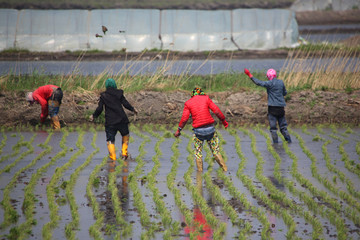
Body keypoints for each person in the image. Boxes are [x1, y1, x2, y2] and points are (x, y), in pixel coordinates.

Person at [174, 87, 228, 172]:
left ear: (192, 95)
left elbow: (184, 118)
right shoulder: (206, 98)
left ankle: (199, 174)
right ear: (201, 93)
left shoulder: (188, 103)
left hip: (198, 133)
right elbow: (216, 111)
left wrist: (179, 130)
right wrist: (224, 121)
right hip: (210, 130)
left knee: (198, 153)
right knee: (216, 151)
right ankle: (225, 170)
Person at [90, 78, 137, 160]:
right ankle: (124, 154)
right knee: (125, 134)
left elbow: (99, 109)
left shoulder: (103, 96)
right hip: (122, 119)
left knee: (110, 139)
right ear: (115, 85)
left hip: (110, 122)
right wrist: (133, 109)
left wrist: (94, 116)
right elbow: (125, 104)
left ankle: (113, 158)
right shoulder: (119, 93)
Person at [244, 68, 292, 143]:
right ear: (275, 75)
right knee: (283, 127)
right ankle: (289, 141)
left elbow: (258, 82)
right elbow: (284, 93)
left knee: (273, 129)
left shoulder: (269, 83)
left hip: (272, 109)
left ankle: (275, 144)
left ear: (268, 76)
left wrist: (250, 75)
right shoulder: (281, 83)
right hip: (281, 109)